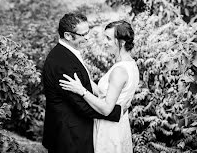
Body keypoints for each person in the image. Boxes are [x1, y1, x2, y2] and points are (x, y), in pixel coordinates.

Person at [42, 12, 122, 153]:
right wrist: (117, 111)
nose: (87, 37)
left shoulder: (66, 53)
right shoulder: (62, 63)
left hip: (71, 133)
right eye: (83, 35)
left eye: (88, 32)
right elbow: (81, 105)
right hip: (69, 137)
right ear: (68, 35)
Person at [59, 20, 139, 153]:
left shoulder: (119, 71)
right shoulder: (130, 64)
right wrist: (84, 74)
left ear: (122, 42)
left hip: (109, 129)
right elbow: (104, 93)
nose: (104, 42)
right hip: (119, 124)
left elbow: (107, 109)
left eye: (108, 38)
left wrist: (81, 90)